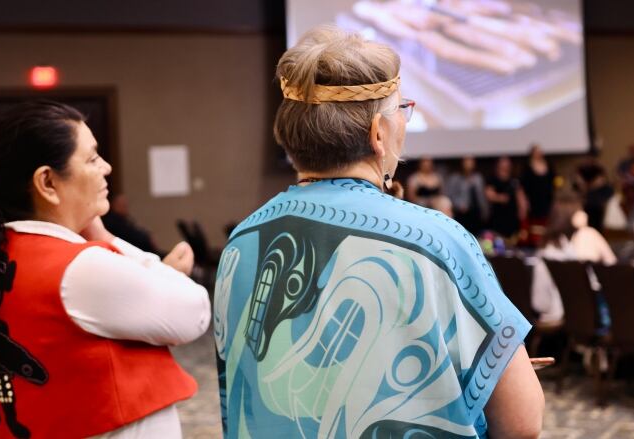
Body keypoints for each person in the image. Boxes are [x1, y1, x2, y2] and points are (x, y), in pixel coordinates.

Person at [213, 26, 543, 439]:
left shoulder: (242, 241)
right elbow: (522, 421)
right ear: (378, 134)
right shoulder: (437, 240)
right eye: (402, 110)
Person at [0, 101, 210, 438]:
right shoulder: (79, 269)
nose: (107, 167)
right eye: (93, 158)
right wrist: (107, 237)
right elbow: (195, 312)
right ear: (47, 183)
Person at [531, 193, 617, 324]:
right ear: (571, 216)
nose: (585, 215)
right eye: (581, 211)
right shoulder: (560, 251)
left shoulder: (552, 246)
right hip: (564, 314)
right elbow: (611, 267)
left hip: (558, 313)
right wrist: (584, 229)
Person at [485, 156, 528, 241]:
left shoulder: (514, 181)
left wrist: (523, 209)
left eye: (507, 166)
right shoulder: (493, 180)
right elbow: (489, 195)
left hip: (512, 220)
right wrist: (501, 198)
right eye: (503, 166)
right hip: (497, 219)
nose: (505, 168)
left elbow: (521, 197)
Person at [521, 144, 555, 246]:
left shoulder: (548, 165)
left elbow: (553, 181)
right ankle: (535, 243)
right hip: (534, 201)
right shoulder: (527, 168)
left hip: (547, 200)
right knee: (534, 226)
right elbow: (523, 186)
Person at [445, 156, 488, 236]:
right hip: (461, 214)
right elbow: (449, 195)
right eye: (466, 161)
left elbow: (482, 196)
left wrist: (485, 211)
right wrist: (458, 205)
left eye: (471, 161)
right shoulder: (455, 178)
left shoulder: (478, 178)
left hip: (476, 214)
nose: (468, 164)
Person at [574, 153, 614, 232]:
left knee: (597, 226)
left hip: (597, 204)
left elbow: (607, 189)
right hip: (584, 204)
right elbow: (577, 188)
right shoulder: (580, 171)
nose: (588, 161)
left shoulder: (599, 171)